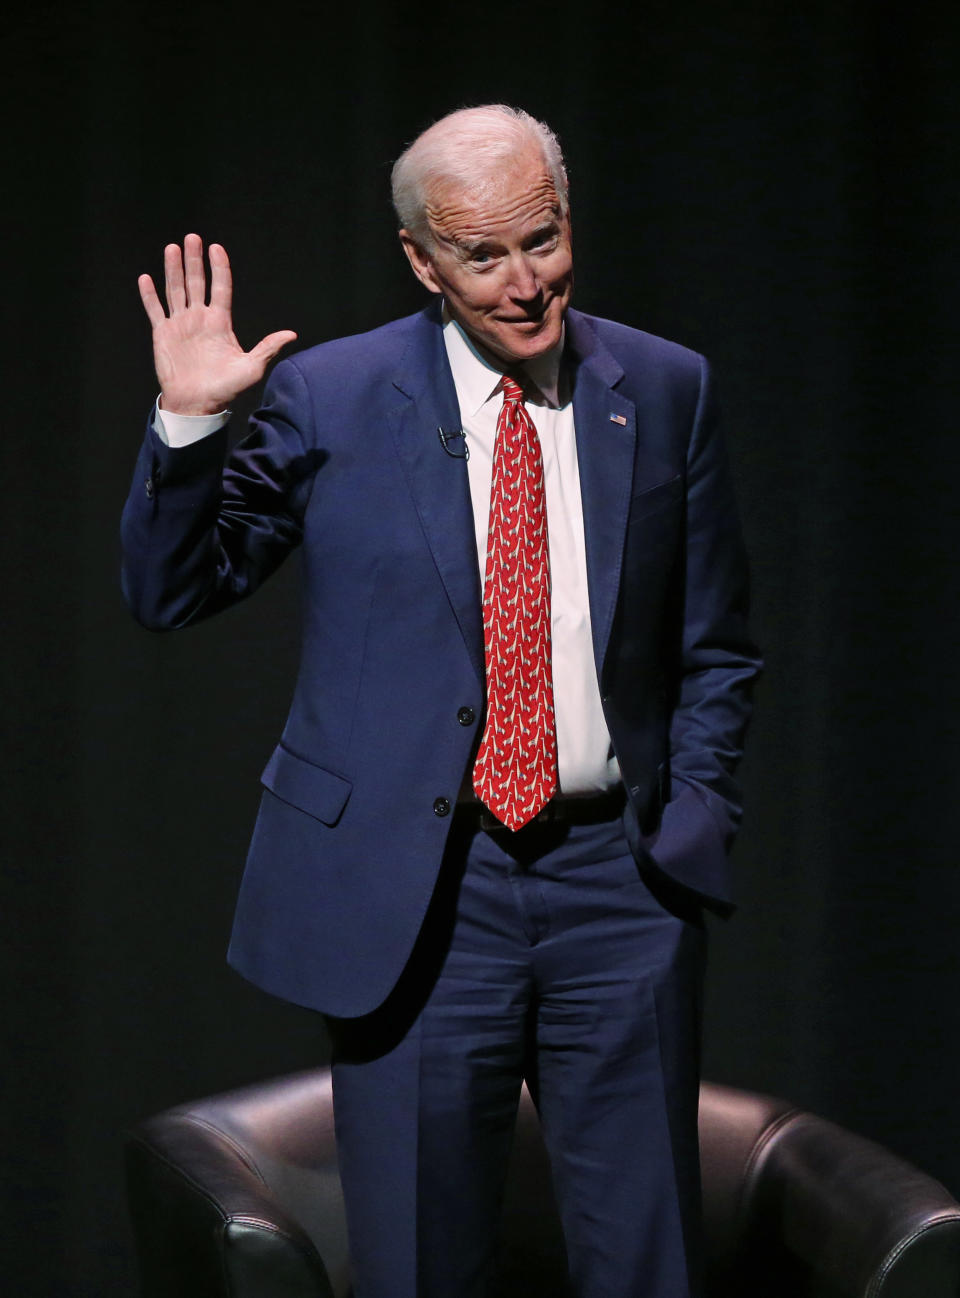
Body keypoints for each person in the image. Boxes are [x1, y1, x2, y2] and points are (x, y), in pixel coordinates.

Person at [122, 104, 761, 1298]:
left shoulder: (665, 388)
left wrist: (688, 826)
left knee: (648, 1257)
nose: (527, 283)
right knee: (420, 1259)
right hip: (420, 896)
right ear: (422, 260)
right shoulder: (333, 394)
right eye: (484, 254)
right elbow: (173, 590)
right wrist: (193, 423)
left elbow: (715, 641)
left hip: (615, 886)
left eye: (545, 238)